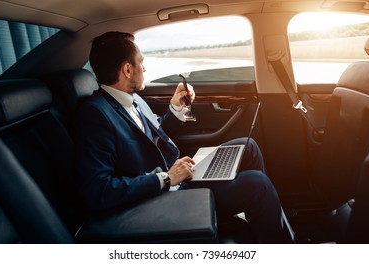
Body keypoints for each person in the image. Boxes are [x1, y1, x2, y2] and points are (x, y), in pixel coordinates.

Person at [74, 31, 295, 243]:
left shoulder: (133, 99)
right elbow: (98, 190)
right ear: (128, 70)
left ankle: (263, 222)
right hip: (158, 198)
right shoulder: (95, 115)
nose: (145, 67)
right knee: (258, 184)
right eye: (141, 62)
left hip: (175, 178)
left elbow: (152, 132)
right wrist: (166, 178)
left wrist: (175, 107)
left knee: (249, 147)